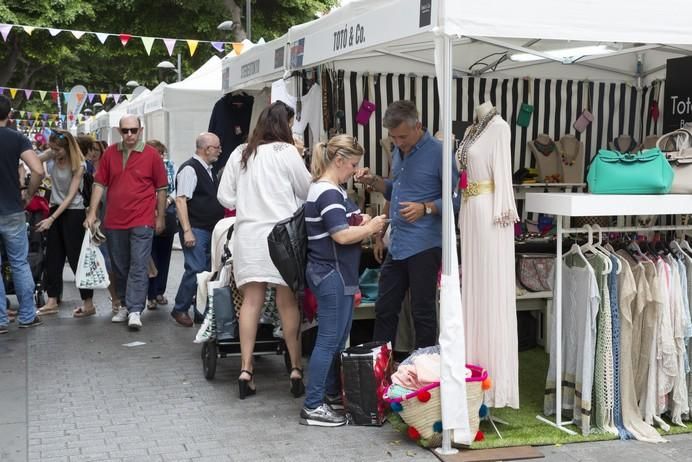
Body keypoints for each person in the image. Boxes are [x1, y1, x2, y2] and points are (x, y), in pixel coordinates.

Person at [217, 101, 311, 399]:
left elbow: (225, 197)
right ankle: (296, 367)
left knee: (251, 302)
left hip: (249, 236)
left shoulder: (240, 152)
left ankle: (246, 369)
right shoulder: (287, 152)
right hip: (282, 235)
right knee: (287, 303)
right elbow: (307, 191)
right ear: (285, 125)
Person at [354, 100, 458, 350]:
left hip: (425, 245)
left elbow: (457, 200)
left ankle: (426, 368)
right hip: (398, 243)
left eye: (402, 136)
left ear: (418, 126)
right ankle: (381, 370)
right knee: (385, 307)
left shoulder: (440, 153)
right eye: (393, 137)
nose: (398, 143)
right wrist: (374, 182)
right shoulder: (400, 152)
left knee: (422, 311)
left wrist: (426, 208)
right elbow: (394, 190)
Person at [300, 135, 386, 426]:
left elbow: (339, 227)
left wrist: (358, 221)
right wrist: (371, 226)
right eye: (352, 164)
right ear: (338, 161)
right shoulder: (327, 192)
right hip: (331, 273)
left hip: (334, 273)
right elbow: (340, 235)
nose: (354, 170)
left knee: (335, 340)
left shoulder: (327, 189)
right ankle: (313, 405)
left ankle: (328, 397)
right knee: (328, 341)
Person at [84, 115, 168, 331]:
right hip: (114, 220)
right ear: (119, 131)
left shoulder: (151, 155)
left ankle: (134, 310)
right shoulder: (111, 152)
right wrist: (92, 213)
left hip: (142, 219)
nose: (129, 134)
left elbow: (161, 188)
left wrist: (159, 217)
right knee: (119, 265)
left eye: (133, 130)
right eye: (125, 131)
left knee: (138, 265)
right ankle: (122, 302)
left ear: (140, 130)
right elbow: (99, 183)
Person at [36, 129, 96, 317]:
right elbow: (35, 161)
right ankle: (52, 299)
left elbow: (70, 196)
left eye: (57, 150)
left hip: (73, 212)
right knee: (53, 256)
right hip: (55, 209)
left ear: (67, 147)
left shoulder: (79, 164)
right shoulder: (52, 155)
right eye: (52, 149)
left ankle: (88, 303)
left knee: (77, 258)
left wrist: (51, 219)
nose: (54, 153)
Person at [0, 94, 44, 333]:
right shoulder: (17, 138)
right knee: (19, 263)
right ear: (9, 115)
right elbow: (37, 169)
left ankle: (0, 320)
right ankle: (28, 315)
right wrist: (28, 193)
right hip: (13, 210)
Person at [170, 133, 224, 327]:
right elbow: (181, 200)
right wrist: (187, 230)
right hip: (197, 228)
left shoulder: (208, 169)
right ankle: (180, 308)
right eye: (217, 147)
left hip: (209, 228)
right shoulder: (190, 169)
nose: (220, 151)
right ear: (206, 148)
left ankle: (201, 311)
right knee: (196, 269)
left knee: (208, 271)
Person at [146, 139, 177, 311]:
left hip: (167, 213)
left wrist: (168, 200)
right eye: (158, 153)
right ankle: (150, 294)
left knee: (164, 256)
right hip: (147, 214)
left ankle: (159, 291)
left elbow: (175, 187)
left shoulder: (170, 165)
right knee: (149, 257)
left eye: (162, 153)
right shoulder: (142, 166)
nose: (161, 156)